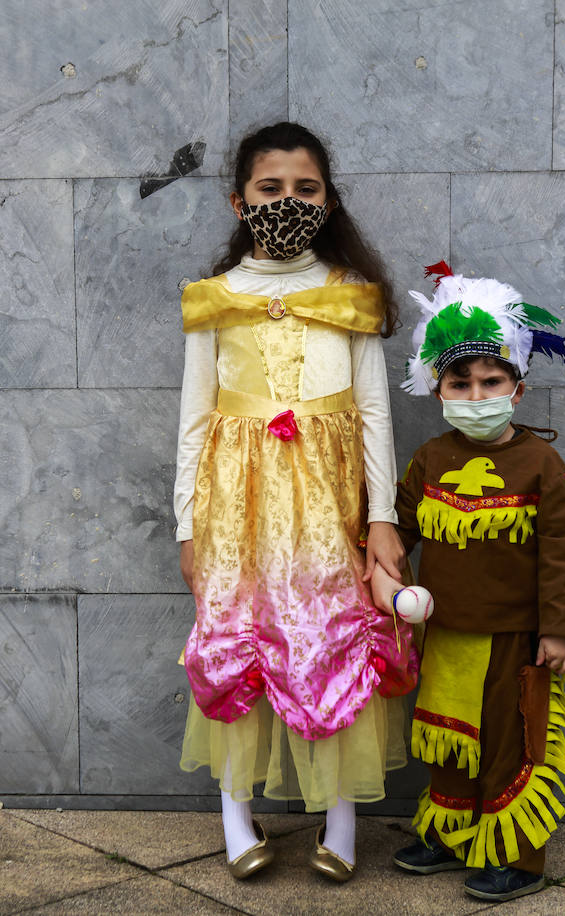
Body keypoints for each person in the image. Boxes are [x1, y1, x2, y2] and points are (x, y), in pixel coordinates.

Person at [174, 122, 418, 882]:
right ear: (240, 200)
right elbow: (194, 418)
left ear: (330, 198)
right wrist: (186, 522)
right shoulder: (217, 300)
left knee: (331, 639)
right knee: (237, 637)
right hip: (235, 506)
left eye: (305, 189)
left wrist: (383, 518)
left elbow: (375, 412)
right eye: (270, 188)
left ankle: (339, 813)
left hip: (327, 504)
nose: (288, 201)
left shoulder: (348, 296)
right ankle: (233, 809)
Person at [372, 264, 565, 902]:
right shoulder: (430, 459)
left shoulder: (540, 462)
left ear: (518, 388)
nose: (477, 394)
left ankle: (516, 858)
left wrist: (561, 630)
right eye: (461, 383)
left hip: (514, 640)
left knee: (510, 748)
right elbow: (395, 528)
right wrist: (376, 555)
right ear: (438, 391)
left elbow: (564, 551)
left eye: (491, 381)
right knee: (448, 742)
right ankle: (451, 835)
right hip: (445, 635)